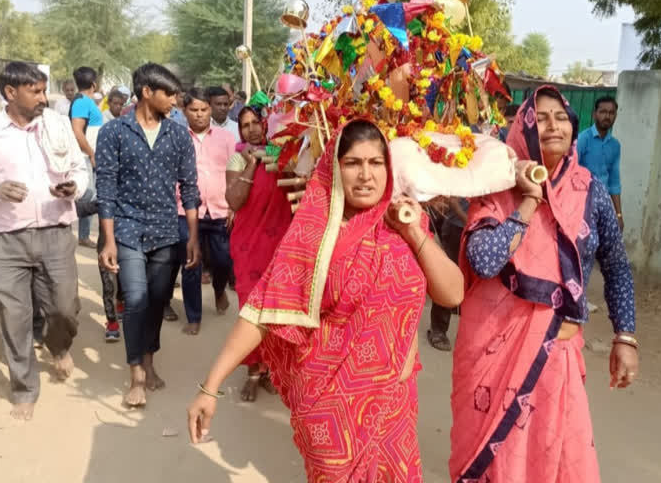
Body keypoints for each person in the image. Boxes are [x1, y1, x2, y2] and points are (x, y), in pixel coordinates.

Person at [188, 119, 464, 480]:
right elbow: (263, 312)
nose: (365, 175)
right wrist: (210, 387)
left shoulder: (405, 225)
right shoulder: (311, 236)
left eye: (375, 162)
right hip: (328, 407)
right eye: (352, 163)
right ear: (335, 169)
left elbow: (452, 292)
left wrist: (413, 231)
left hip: (392, 404)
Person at [449, 86, 638, 483]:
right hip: (499, 358)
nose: (554, 125)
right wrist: (529, 201)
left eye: (561, 117)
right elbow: (484, 262)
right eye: (542, 117)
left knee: (560, 465)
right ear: (525, 129)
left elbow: (617, 266)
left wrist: (625, 337)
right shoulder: (496, 190)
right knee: (502, 468)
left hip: (559, 360)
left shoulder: (591, 192)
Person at [0, 62, 88, 420]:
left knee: (63, 307)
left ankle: (58, 346)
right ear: (10, 93)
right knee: (13, 316)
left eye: (45, 90)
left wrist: (74, 186)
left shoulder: (57, 126)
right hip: (5, 239)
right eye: (36, 91)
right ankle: (24, 388)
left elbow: (79, 168)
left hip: (55, 232)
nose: (45, 98)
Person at [97, 63, 200, 407]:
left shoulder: (179, 135)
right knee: (137, 300)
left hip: (166, 234)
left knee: (156, 303)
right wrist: (108, 240)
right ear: (146, 92)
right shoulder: (114, 133)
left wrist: (193, 236)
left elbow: (189, 188)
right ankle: (136, 375)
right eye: (168, 93)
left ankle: (150, 361)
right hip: (127, 230)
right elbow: (106, 188)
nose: (175, 100)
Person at [224, 105, 291, 401]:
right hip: (249, 245)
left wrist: (279, 162)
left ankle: (273, 370)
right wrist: (252, 165)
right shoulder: (237, 158)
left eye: (256, 123)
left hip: (279, 242)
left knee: (277, 308)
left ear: (266, 125)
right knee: (250, 307)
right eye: (245, 125)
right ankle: (253, 372)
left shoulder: (283, 154)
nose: (251, 129)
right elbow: (235, 201)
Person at [174, 88, 236, 335]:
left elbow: (235, 172)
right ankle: (193, 316)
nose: (200, 115)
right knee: (191, 263)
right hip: (186, 211)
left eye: (204, 110)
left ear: (211, 109)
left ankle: (220, 290)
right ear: (184, 110)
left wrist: (233, 205)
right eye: (194, 110)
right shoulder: (177, 138)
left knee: (223, 261)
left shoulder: (227, 138)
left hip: (221, 210)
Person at [426, 196, 469, 352]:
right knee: (447, 279)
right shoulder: (463, 171)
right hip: (457, 228)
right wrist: (469, 220)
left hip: (482, 230)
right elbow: (452, 200)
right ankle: (438, 331)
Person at [577, 96, 624, 231]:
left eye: (611, 113)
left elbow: (614, 182)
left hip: (603, 206)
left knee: (602, 247)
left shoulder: (615, 146)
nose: (607, 116)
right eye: (603, 112)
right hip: (582, 204)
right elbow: (570, 172)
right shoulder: (582, 140)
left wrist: (619, 215)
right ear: (594, 114)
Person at [70, 66, 104, 248]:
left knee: (91, 195)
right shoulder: (82, 102)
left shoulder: (86, 101)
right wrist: (91, 153)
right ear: (94, 84)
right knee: (88, 195)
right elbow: (77, 130)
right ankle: (79, 233)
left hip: (90, 154)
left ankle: (84, 235)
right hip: (84, 155)